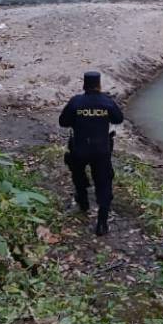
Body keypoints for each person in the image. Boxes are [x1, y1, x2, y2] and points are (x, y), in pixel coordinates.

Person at [59, 71, 124, 236]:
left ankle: (83, 202)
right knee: (103, 183)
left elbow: (63, 122)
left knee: (78, 174)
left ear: (84, 85)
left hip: (80, 148)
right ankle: (102, 223)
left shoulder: (76, 102)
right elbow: (118, 119)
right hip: (101, 150)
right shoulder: (107, 102)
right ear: (99, 85)